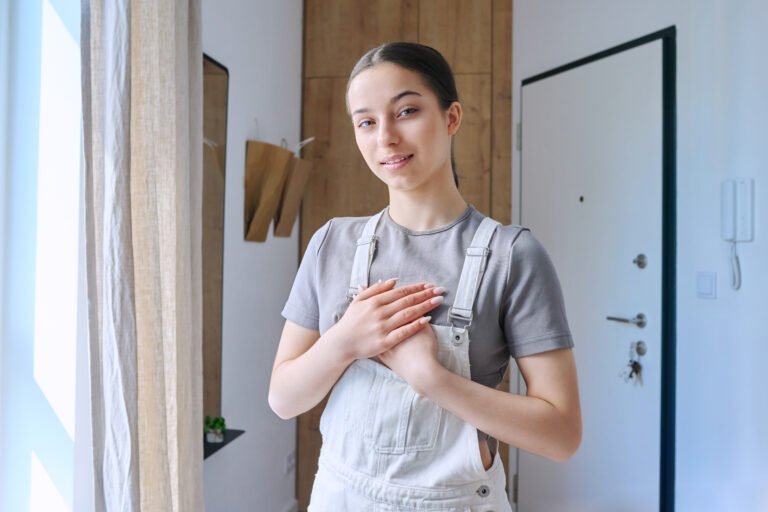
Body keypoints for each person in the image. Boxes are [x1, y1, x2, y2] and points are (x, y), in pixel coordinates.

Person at [268, 42, 581, 511]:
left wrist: (431, 379)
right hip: (341, 497)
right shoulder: (331, 243)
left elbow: (561, 435)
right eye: (366, 122)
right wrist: (344, 342)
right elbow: (283, 399)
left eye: (407, 111)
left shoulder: (512, 256)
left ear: (451, 117)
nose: (386, 137)